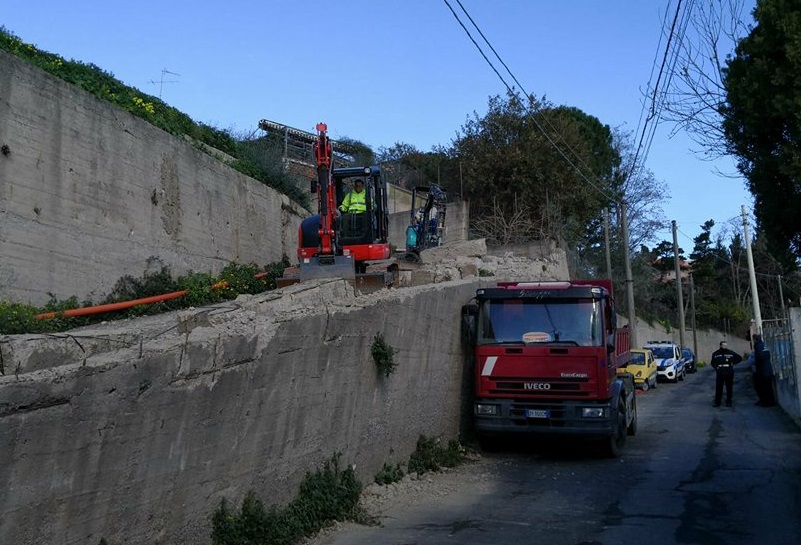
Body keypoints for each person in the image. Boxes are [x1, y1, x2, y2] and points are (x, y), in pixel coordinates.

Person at [710, 340, 742, 407]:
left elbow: (739, 358)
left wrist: (734, 362)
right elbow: (712, 363)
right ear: (720, 345)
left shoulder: (730, 352)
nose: (725, 346)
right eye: (724, 345)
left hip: (729, 371)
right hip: (720, 372)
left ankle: (729, 401)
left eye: (726, 345)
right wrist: (716, 368)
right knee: (719, 387)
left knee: (729, 387)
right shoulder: (716, 354)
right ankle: (717, 402)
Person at [751, 334, 776, 407]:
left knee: (763, 387)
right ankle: (769, 401)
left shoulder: (758, 346)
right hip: (768, 369)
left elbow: (759, 358)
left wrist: (755, 362)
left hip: (762, 370)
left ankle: (766, 402)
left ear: (755, 339)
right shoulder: (764, 345)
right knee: (768, 387)